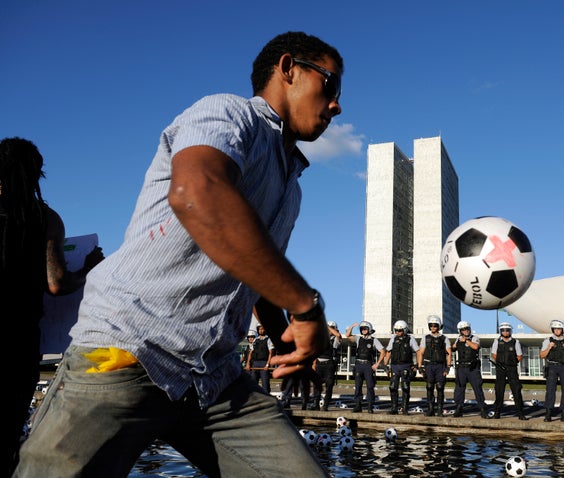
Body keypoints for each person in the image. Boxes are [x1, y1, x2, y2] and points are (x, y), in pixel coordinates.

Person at [14, 31, 343, 478]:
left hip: (216, 379)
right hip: (128, 350)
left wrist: (286, 340)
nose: (337, 105)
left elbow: (252, 271)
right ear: (289, 69)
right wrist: (307, 308)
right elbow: (195, 194)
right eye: (331, 85)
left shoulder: (292, 185)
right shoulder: (227, 114)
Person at [1, 137, 104, 477]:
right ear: (37, 175)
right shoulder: (43, 218)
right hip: (16, 340)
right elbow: (57, 283)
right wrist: (88, 269)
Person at [539, 319, 564, 423]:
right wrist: (549, 347)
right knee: (550, 390)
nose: (557, 330)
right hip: (552, 366)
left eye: (559, 328)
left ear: (563, 329)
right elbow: (542, 355)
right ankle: (548, 414)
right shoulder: (548, 340)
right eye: (555, 329)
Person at [345, 321, 385, 413]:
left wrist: (377, 364)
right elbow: (347, 335)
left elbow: (383, 351)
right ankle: (358, 406)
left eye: (365, 329)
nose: (363, 330)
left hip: (368, 365)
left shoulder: (374, 340)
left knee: (370, 386)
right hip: (358, 364)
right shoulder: (358, 339)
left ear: (369, 329)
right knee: (358, 386)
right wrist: (352, 326)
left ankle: (370, 407)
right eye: (362, 329)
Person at [451, 321, 489, 418]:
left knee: (477, 388)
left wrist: (466, 341)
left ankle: (483, 409)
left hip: (473, 368)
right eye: (464, 329)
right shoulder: (458, 339)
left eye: (467, 328)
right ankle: (459, 408)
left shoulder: (474, 338)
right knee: (459, 389)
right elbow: (453, 348)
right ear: (460, 331)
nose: (466, 330)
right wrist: (456, 343)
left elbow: (476, 347)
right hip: (461, 368)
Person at [384, 320, 422, 415]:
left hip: (406, 366)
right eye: (396, 330)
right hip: (395, 366)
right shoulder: (393, 338)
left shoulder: (410, 339)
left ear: (404, 330)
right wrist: (385, 365)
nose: (398, 332)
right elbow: (389, 351)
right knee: (392, 387)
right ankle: (394, 408)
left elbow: (418, 351)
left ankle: (405, 409)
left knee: (405, 387)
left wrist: (417, 365)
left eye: (400, 330)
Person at [491, 322, 527, 420]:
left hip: (512, 369)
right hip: (500, 369)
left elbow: (519, 356)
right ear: (500, 331)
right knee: (499, 390)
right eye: (503, 330)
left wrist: (511, 363)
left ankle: (520, 413)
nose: (505, 332)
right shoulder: (496, 341)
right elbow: (494, 354)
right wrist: (500, 362)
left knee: (516, 390)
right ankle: (497, 413)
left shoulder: (516, 342)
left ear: (510, 331)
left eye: (507, 330)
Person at [418, 315, 452, 417]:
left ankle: (440, 410)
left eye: (435, 325)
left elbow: (449, 353)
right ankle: (431, 409)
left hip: (440, 366)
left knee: (440, 387)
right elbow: (421, 352)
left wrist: (448, 367)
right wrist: (420, 366)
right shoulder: (425, 338)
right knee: (429, 387)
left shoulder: (444, 339)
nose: (433, 327)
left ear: (439, 326)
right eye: (431, 325)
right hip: (428, 365)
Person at [312, 321, 343, 411]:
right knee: (316, 385)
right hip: (319, 363)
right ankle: (315, 404)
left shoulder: (335, 339)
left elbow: (339, 335)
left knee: (329, 386)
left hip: (329, 365)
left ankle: (325, 405)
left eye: (331, 328)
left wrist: (328, 327)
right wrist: (314, 363)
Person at [247, 323, 274, 394]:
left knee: (265, 382)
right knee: (253, 382)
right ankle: (254, 398)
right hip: (255, 363)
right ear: (258, 330)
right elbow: (250, 353)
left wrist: (267, 365)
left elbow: (271, 353)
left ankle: (267, 397)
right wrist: (248, 364)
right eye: (260, 329)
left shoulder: (268, 339)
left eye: (262, 329)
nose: (261, 330)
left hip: (264, 363)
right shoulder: (255, 340)